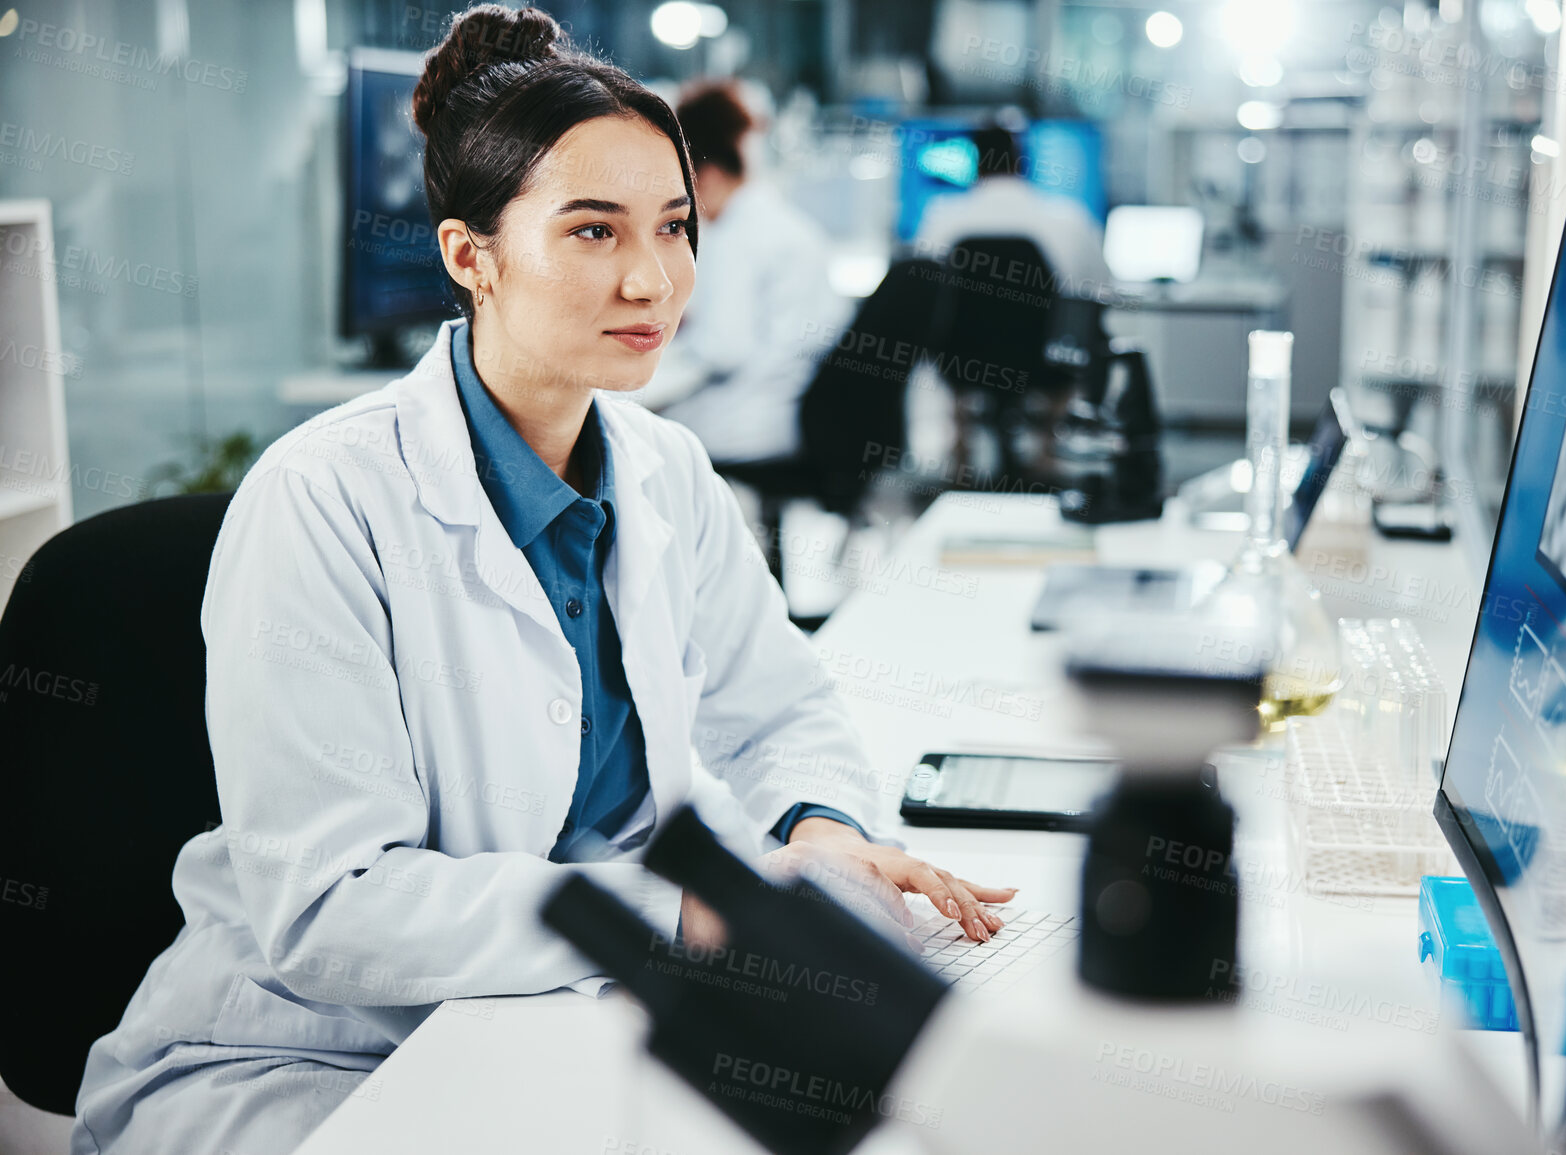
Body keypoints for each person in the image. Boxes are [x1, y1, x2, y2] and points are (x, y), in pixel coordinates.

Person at [70, 9, 1011, 1154]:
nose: (654, 279)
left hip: (559, 1011)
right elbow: (329, 907)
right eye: (593, 233)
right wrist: (684, 909)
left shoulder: (666, 471)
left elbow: (782, 712)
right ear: (471, 256)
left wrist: (813, 830)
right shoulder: (324, 500)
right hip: (308, 1054)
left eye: (674, 226)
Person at [635, 81, 850, 464]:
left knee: (633, 432)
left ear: (710, 175)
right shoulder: (777, 221)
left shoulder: (738, 233)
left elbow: (724, 347)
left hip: (753, 420)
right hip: (796, 409)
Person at [913, 120, 1112, 295]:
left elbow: (920, 293)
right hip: (1045, 338)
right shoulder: (1072, 220)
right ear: (1019, 163)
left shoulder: (940, 219)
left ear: (976, 165)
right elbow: (1102, 293)